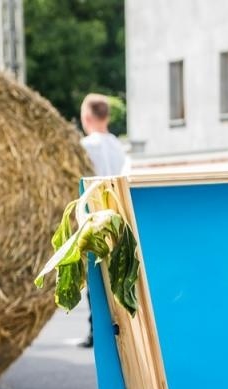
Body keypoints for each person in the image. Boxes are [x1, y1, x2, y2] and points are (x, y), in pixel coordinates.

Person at [75, 93, 128, 347]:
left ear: (87, 117)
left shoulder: (84, 146)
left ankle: (95, 332)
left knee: (94, 278)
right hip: (116, 214)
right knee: (115, 274)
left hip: (92, 215)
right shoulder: (119, 146)